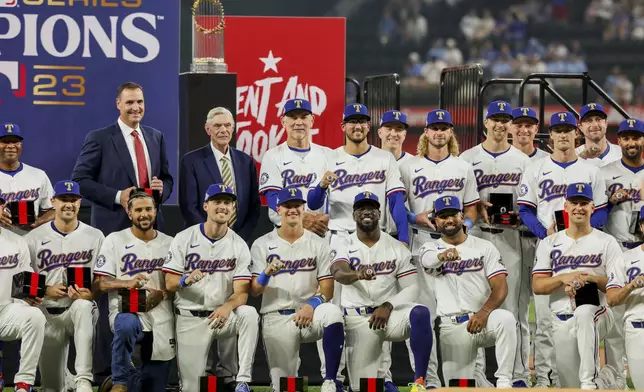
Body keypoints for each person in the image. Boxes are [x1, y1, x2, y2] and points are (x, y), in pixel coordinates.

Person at [398, 109, 479, 389]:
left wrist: (464, 225)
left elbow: (471, 208)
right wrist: (413, 218)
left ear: (451, 132)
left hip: (455, 246)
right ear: (426, 132)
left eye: (444, 127)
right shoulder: (409, 166)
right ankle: (427, 379)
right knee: (422, 314)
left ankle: (467, 380)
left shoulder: (462, 166)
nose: (439, 132)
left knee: (461, 312)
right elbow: (400, 207)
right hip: (421, 241)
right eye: (434, 127)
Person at [330, 191, 432, 392]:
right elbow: (339, 273)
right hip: (358, 319)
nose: (366, 213)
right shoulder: (344, 244)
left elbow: (412, 287)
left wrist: (388, 305)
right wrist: (357, 274)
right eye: (360, 209)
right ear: (353, 215)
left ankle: (419, 381)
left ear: (379, 214)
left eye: (371, 209)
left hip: (388, 316)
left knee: (420, 313)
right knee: (365, 388)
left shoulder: (396, 247)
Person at [460, 100, 531, 387]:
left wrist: (520, 217)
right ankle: (476, 377)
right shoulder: (467, 158)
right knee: (474, 304)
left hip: (511, 238)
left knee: (513, 309)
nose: (501, 124)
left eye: (505, 120)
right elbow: (464, 201)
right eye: (495, 119)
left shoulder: (523, 161)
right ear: (486, 123)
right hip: (476, 235)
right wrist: (475, 207)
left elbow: (529, 204)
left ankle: (517, 376)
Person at [163, 184, 259, 392]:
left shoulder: (239, 244)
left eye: (227, 203)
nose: (223, 206)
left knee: (248, 314)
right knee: (192, 388)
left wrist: (227, 307)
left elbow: (242, 291)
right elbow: (169, 283)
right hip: (190, 316)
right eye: (217, 202)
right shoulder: (184, 238)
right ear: (206, 206)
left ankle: (242, 380)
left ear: (233, 209)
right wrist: (184, 280)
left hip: (222, 316)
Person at [249, 187, 344, 392]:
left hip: (310, 314)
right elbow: (255, 290)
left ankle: (330, 380)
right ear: (278, 209)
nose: (292, 210)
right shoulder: (262, 244)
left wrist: (312, 305)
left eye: (297, 206)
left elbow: (328, 289)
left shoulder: (319, 244)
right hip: (277, 316)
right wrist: (266, 273)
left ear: (304, 208)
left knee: (334, 313)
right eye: (287, 206)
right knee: (286, 387)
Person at [418, 195, 517, 388]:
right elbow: (427, 261)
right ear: (435, 221)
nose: (449, 220)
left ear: (462, 216)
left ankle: (505, 382)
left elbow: (501, 287)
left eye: (453, 214)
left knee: (505, 319)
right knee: (462, 387)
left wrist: (484, 312)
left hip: (483, 321)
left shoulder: (484, 246)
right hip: (452, 327)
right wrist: (443, 255)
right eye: (443, 216)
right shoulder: (429, 248)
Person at [532, 183, 620, 389]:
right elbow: (538, 286)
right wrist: (564, 278)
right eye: (574, 203)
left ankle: (594, 382)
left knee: (584, 312)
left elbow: (616, 288)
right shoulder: (550, 242)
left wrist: (589, 279)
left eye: (584, 203)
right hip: (562, 319)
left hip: (599, 313)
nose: (578, 208)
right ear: (565, 206)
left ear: (593, 207)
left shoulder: (607, 242)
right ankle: (605, 379)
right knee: (569, 385)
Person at [23, 180, 104, 392]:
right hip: (46, 312)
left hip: (78, 308)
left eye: (73, 200)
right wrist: (44, 289)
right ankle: (66, 380)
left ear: (79, 203)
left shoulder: (95, 236)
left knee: (84, 307)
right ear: (53, 202)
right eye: (63, 200)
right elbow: (21, 277)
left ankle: (84, 380)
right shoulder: (33, 238)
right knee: (52, 387)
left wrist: (90, 294)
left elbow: (102, 278)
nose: (68, 204)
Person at [93, 191, 174, 392]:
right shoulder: (114, 240)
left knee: (152, 387)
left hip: (161, 315)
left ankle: (130, 378)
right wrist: (127, 282)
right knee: (126, 324)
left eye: (148, 209)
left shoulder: (171, 242)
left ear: (155, 211)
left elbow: (178, 282)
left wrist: (162, 293)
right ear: (129, 213)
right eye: (138, 210)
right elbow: (101, 283)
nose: (144, 214)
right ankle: (119, 382)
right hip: (127, 309)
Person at [71, 82, 174, 236]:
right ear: (118, 104)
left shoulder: (156, 137)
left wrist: (161, 190)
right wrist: (119, 196)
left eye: (140, 102)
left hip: (153, 227)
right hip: (114, 228)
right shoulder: (99, 138)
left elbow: (167, 178)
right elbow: (79, 181)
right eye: (129, 102)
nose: (136, 107)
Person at [307, 103, 409, 249]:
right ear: (343, 126)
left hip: (377, 234)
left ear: (368, 126)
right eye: (353, 121)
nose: (358, 126)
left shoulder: (385, 158)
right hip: (340, 236)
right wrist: (322, 185)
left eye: (362, 121)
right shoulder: (328, 158)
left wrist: (404, 238)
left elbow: (396, 201)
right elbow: (313, 203)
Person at [509, 107, 558, 388]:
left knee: (547, 315)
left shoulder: (545, 160)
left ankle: (546, 374)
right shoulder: (505, 158)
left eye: (529, 125)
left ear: (536, 128)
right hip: (510, 238)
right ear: (511, 128)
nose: (524, 130)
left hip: (542, 244)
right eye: (519, 125)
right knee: (518, 314)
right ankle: (519, 375)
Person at [598, 117, 644, 390]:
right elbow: (596, 216)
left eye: (636, 137)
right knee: (615, 322)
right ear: (619, 141)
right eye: (626, 138)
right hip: (617, 249)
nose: (631, 142)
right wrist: (609, 202)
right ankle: (616, 379)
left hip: (642, 249)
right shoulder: (605, 173)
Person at [518, 111, 608, 240]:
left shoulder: (592, 171)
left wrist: (583, 232)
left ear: (576, 133)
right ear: (551, 134)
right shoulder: (534, 169)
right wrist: (544, 234)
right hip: (548, 241)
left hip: (584, 243)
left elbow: (601, 210)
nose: (563, 135)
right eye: (558, 131)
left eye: (567, 130)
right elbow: (525, 210)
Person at [179, 107, 260, 242]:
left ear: (233, 128)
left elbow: (254, 207)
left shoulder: (246, 161)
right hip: (202, 241)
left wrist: (239, 238)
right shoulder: (191, 161)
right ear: (208, 129)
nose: (223, 130)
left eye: (227, 125)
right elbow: (189, 207)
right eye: (217, 126)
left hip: (239, 242)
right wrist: (209, 236)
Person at [258, 99, 330, 236]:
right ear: (283, 122)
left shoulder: (328, 155)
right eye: (292, 117)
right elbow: (273, 197)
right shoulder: (272, 156)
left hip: (320, 232)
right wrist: (301, 218)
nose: (298, 122)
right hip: (285, 232)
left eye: (303, 117)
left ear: (312, 121)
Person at [0, 196, 46, 392]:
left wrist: (31, 295)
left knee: (35, 316)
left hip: (6, 310)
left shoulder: (17, 241)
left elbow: (25, 277)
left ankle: (24, 383)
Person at [606, 207, 644, 390]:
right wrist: (631, 286)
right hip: (638, 329)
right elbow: (611, 299)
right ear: (642, 227)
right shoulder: (626, 259)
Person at [0, 122, 55, 235]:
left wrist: (39, 221)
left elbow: (53, 210)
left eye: (15, 142)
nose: (11, 146)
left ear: (21, 145)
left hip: (30, 240)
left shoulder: (39, 175)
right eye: (5, 141)